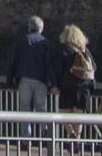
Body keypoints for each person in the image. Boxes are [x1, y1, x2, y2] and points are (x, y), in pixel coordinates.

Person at [5, 15, 60, 147]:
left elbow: (13, 61)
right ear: (41, 28)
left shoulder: (22, 41)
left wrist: (9, 81)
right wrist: (53, 83)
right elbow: (49, 65)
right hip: (41, 80)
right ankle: (45, 130)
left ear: (29, 27)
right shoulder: (46, 43)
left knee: (25, 109)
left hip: (24, 79)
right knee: (41, 107)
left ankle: (25, 140)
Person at [55, 25, 97, 122]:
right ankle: (77, 136)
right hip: (83, 89)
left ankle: (70, 132)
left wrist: (56, 84)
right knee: (78, 119)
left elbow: (58, 68)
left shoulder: (64, 49)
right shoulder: (85, 51)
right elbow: (94, 67)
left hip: (67, 88)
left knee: (64, 114)